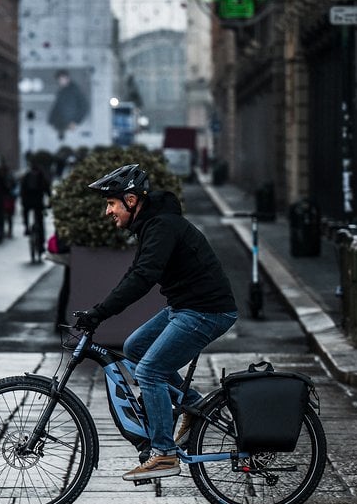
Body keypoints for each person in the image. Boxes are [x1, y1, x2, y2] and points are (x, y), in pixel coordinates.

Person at [73, 164, 238, 482]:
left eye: (111, 203)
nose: (108, 212)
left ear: (131, 200)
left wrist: (101, 313)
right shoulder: (152, 225)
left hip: (206, 311)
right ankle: (193, 405)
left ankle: (164, 454)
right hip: (187, 306)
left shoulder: (161, 226)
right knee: (135, 347)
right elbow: (134, 274)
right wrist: (100, 310)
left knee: (150, 371)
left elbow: (143, 277)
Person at [47, 69, 89, 140]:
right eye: (59, 79)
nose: (61, 81)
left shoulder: (75, 90)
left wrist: (75, 121)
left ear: (67, 78)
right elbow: (57, 107)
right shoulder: (61, 92)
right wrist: (50, 120)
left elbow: (84, 107)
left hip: (72, 125)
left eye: (62, 79)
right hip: (61, 125)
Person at [20, 160, 52, 235]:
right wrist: (50, 202)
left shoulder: (27, 176)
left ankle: (26, 227)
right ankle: (41, 240)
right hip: (38, 201)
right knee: (39, 220)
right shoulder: (41, 176)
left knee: (26, 213)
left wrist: (23, 200)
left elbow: (22, 189)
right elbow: (47, 190)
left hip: (27, 201)